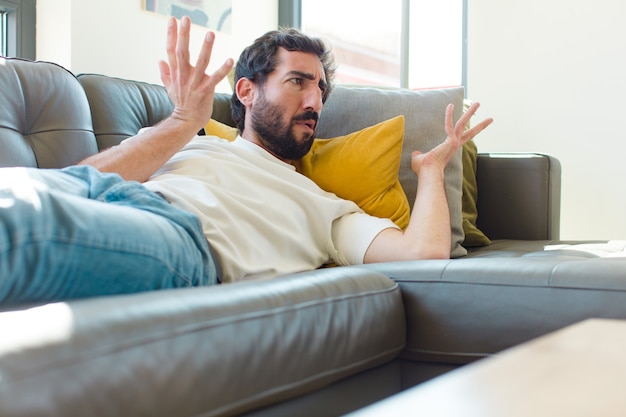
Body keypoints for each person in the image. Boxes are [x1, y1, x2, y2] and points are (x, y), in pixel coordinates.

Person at [0, 16, 492, 306]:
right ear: (246, 90)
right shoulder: (191, 141)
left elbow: (420, 255)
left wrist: (429, 172)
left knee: (24, 227)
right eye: (299, 81)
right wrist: (178, 123)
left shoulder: (329, 209)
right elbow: (81, 180)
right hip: (108, 196)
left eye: (320, 87)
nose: (316, 99)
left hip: (183, 240)